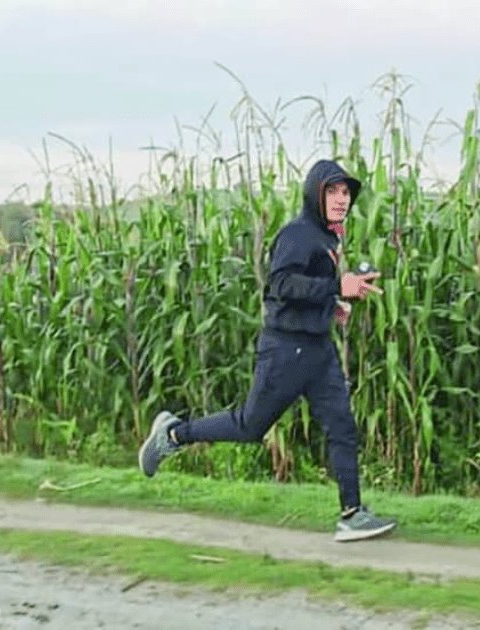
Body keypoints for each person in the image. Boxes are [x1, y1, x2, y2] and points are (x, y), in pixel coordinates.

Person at [137, 158, 397, 543]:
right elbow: (282, 285)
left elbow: (310, 290)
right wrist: (336, 288)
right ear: (315, 193)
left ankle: (352, 513)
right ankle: (174, 435)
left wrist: (335, 306)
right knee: (249, 426)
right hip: (286, 351)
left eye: (345, 192)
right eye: (332, 191)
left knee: (342, 426)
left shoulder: (328, 238)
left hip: (318, 350)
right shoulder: (298, 234)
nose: (341, 199)